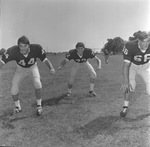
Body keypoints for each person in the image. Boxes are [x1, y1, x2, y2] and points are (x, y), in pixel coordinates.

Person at [0, 36, 55, 116]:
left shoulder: (36, 48)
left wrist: (51, 68)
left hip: (33, 67)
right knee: (13, 88)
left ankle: (39, 106)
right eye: (21, 46)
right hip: (20, 69)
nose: (23, 48)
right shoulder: (13, 51)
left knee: (37, 83)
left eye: (25, 46)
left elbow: (45, 59)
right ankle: (18, 107)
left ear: (29, 45)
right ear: (18, 46)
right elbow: (2, 62)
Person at [120, 31, 150, 117]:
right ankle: (125, 107)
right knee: (131, 85)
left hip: (146, 67)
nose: (146, 44)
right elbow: (126, 65)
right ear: (138, 41)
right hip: (133, 66)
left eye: (148, 41)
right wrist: (125, 81)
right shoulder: (130, 45)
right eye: (143, 41)